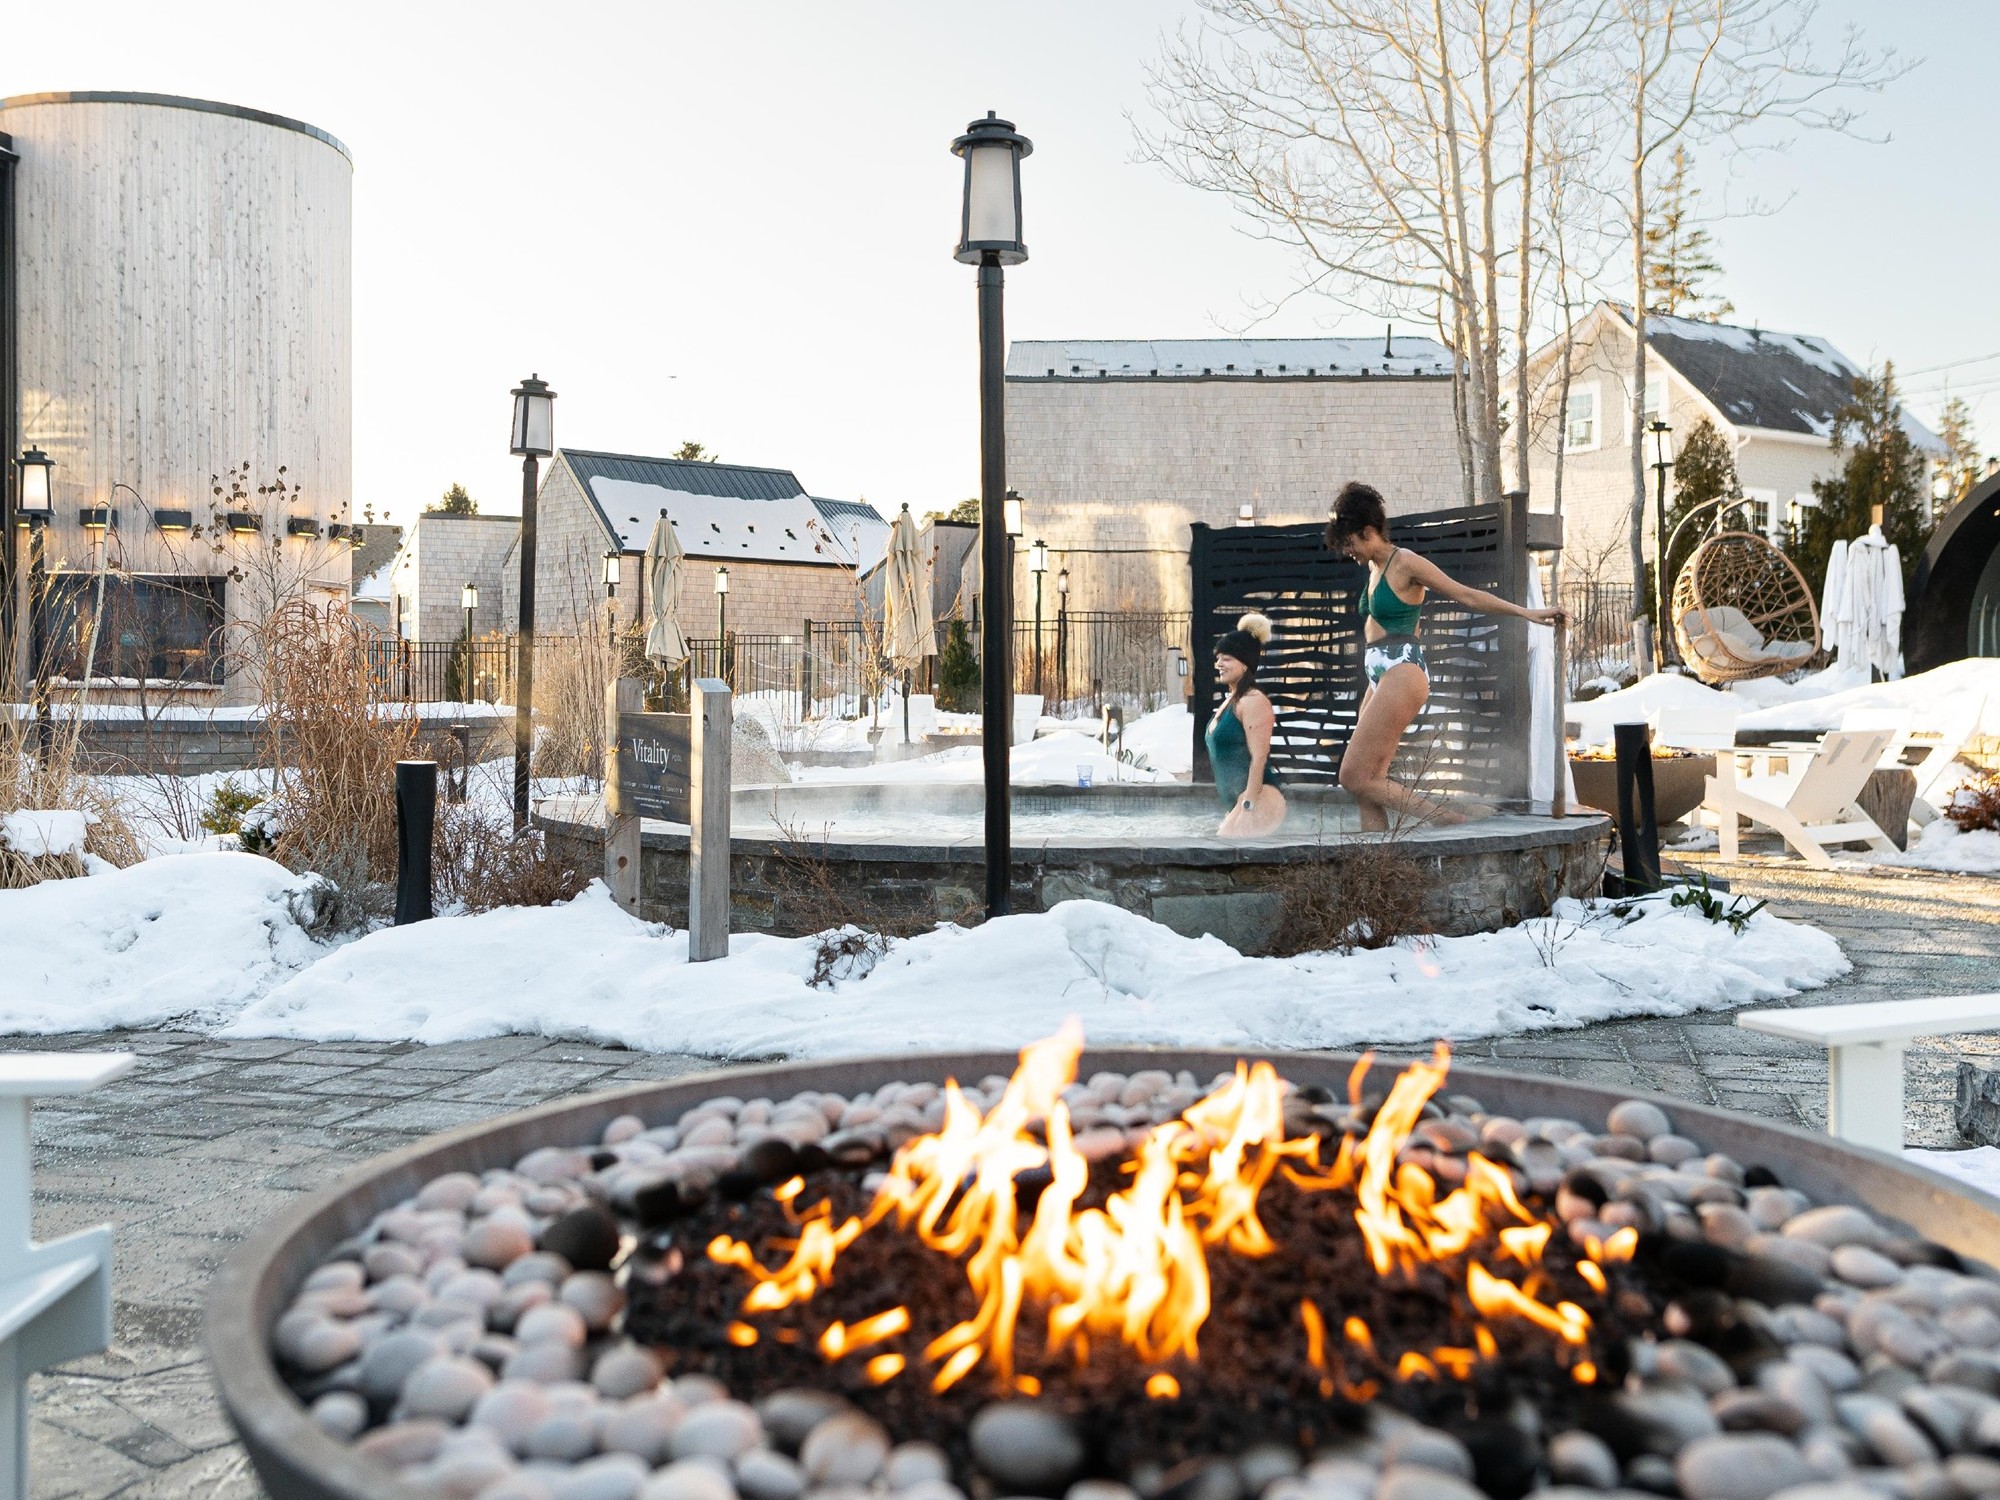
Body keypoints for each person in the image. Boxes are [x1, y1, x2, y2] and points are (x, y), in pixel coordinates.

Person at [1326, 481, 1564, 830]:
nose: (1349, 551)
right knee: (1368, 783)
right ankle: (1374, 861)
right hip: (1379, 675)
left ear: (1368, 532)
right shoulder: (1373, 569)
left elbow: (1465, 595)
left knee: (1352, 775)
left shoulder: (1405, 563)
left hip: (1402, 670)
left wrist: (1528, 613)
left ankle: (1446, 820)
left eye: (1350, 543)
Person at [1205, 613, 1287, 837]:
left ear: (1245, 664)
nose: (1219, 663)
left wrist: (1248, 805)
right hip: (1242, 801)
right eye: (1218, 658)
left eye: (1227, 658)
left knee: (1221, 848)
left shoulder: (1253, 701)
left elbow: (1259, 757)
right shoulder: (1232, 701)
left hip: (1260, 799)